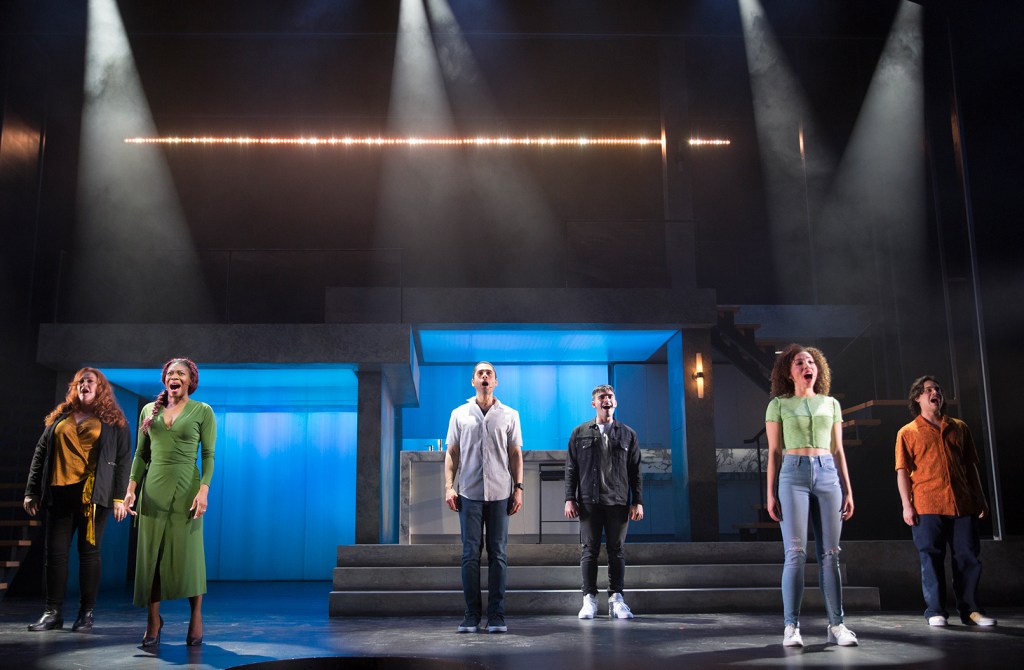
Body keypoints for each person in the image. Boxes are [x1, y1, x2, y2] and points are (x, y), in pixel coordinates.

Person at [23, 368, 132, 632]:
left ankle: (86, 613)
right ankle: (52, 613)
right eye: (80, 381)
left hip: (93, 497)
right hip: (58, 494)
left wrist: (120, 497)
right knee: (55, 554)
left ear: (100, 388)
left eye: (90, 381)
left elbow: (123, 460)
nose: (85, 384)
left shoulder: (114, 421)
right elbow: (40, 454)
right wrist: (31, 491)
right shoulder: (61, 417)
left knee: (89, 554)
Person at [765, 344, 857, 648]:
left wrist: (848, 489)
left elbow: (838, 450)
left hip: (828, 474)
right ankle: (791, 626)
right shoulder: (778, 405)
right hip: (793, 474)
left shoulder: (831, 404)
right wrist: (770, 492)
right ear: (789, 373)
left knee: (831, 554)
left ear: (818, 369)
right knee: (795, 553)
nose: (807, 365)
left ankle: (837, 625)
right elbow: (774, 452)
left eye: (811, 362)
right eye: (799, 362)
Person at [122, 358, 216, 647]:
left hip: (187, 489)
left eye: (180, 373)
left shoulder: (203, 411)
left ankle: (196, 616)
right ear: (165, 380)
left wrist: (204, 491)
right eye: (170, 373)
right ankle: (153, 621)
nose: (174, 376)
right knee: (152, 555)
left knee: (190, 556)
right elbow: (141, 454)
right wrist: (131, 488)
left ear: (190, 381)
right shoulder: (149, 410)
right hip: (153, 489)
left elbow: (209, 455)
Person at [895, 375, 996, 627]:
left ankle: (971, 610)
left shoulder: (959, 427)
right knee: (931, 557)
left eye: (938, 389)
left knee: (968, 557)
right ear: (917, 397)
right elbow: (902, 471)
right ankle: (935, 610)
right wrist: (907, 505)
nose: (935, 393)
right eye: (929, 390)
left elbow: (971, 467)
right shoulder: (907, 432)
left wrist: (981, 498)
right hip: (927, 504)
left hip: (962, 503)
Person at [444, 361, 524, 634]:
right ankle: (471, 616)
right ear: (473, 381)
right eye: (480, 373)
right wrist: (449, 486)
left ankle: (497, 615)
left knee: (498, 554)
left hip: (501, 493)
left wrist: (518, 488)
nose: (485, 376)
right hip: (469, 493)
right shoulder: (459, 413)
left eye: (489, 373)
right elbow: (452, 453)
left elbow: (515, 454)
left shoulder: (510, 414)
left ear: (496, 381)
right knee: (470, 555)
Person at [564, 384, 643, 620]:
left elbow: (635, 471)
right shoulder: (580, 433)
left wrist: (637, 501)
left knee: (616, 551)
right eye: (602, 397)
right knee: (589, 550)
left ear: (615, 403)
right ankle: (589, 599)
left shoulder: (628, 434)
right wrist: (569, 498)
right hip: (589, 501)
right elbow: (571, 469)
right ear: (594, 403)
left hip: (618, 501)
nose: (606, 400)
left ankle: (616, 599)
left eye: (610, 396)